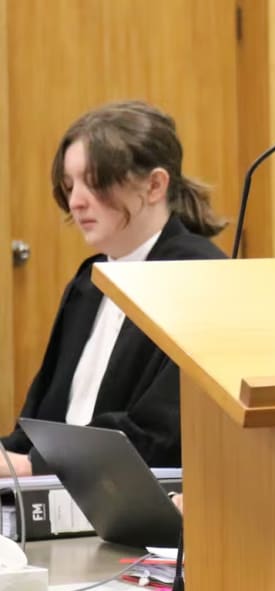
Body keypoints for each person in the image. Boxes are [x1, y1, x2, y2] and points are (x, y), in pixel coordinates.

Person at [0, 101, 227, 476]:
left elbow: (164, 434)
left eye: (95, 183)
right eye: (70, 185)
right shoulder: (90, 280)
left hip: (144, 503)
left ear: (155, 185)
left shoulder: (202, 279)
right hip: (60, 490)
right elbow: (41, 418)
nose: (76, 201)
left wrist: (32, 467)